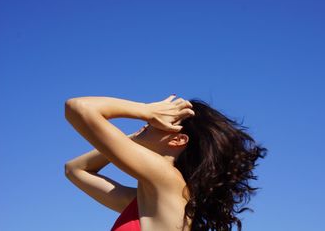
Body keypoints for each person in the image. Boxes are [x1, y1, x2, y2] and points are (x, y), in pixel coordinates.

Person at [64, 94, 267, 231]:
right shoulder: (146, 200)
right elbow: (75, 169)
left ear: (177, 139)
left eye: (165, 118)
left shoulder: (168, 179)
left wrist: (146, 110)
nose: (149, 121)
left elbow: (78, 107)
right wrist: (135, 137)